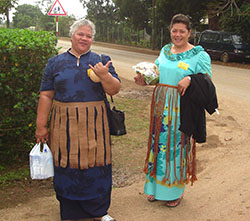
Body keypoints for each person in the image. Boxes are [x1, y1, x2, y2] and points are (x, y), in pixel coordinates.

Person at [35, 19, 120, 221]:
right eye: (80, 34)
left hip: (96, 124)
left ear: (92, 39)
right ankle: (70, 213)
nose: (84, 38)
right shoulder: (55, 63)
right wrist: (40, 126)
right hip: (64, 125)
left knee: (97, 165)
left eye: (88, 35)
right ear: (71, 35)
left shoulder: (102, 60)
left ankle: (99, 212)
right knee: (67, 165)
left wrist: (104, 75)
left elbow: (114, 89)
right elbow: (46, 95)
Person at [134, 14, 214, 207]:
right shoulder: (165, 51)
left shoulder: (199, 55)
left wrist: (190, 79)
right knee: (157, 146)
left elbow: (208, 82)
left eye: (182, 31)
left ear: (189, 33)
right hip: (161, 107)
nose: (177, 35)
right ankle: (154, 188)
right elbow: (156, 74)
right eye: (174, 30)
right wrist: (145, 80)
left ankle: (174, 191)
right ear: (170, 31)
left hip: (182, 108)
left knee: (175, 148)